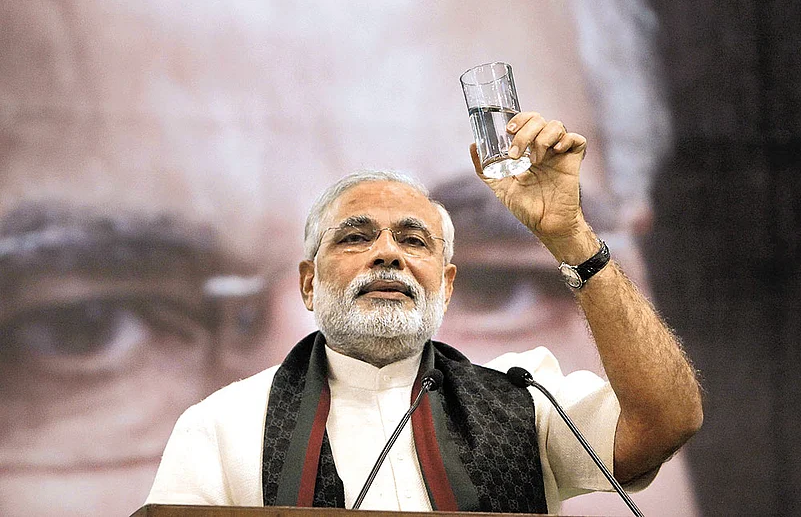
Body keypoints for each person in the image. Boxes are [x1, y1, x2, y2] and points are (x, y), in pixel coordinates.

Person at [146, 114, 704, 514]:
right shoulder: (222, 425)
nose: (388, 254)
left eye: (414, 240)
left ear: (447, 285)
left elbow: (666, 423)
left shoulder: (526, 398)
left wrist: (570, 235)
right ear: (309, 284)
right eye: (355, 237)